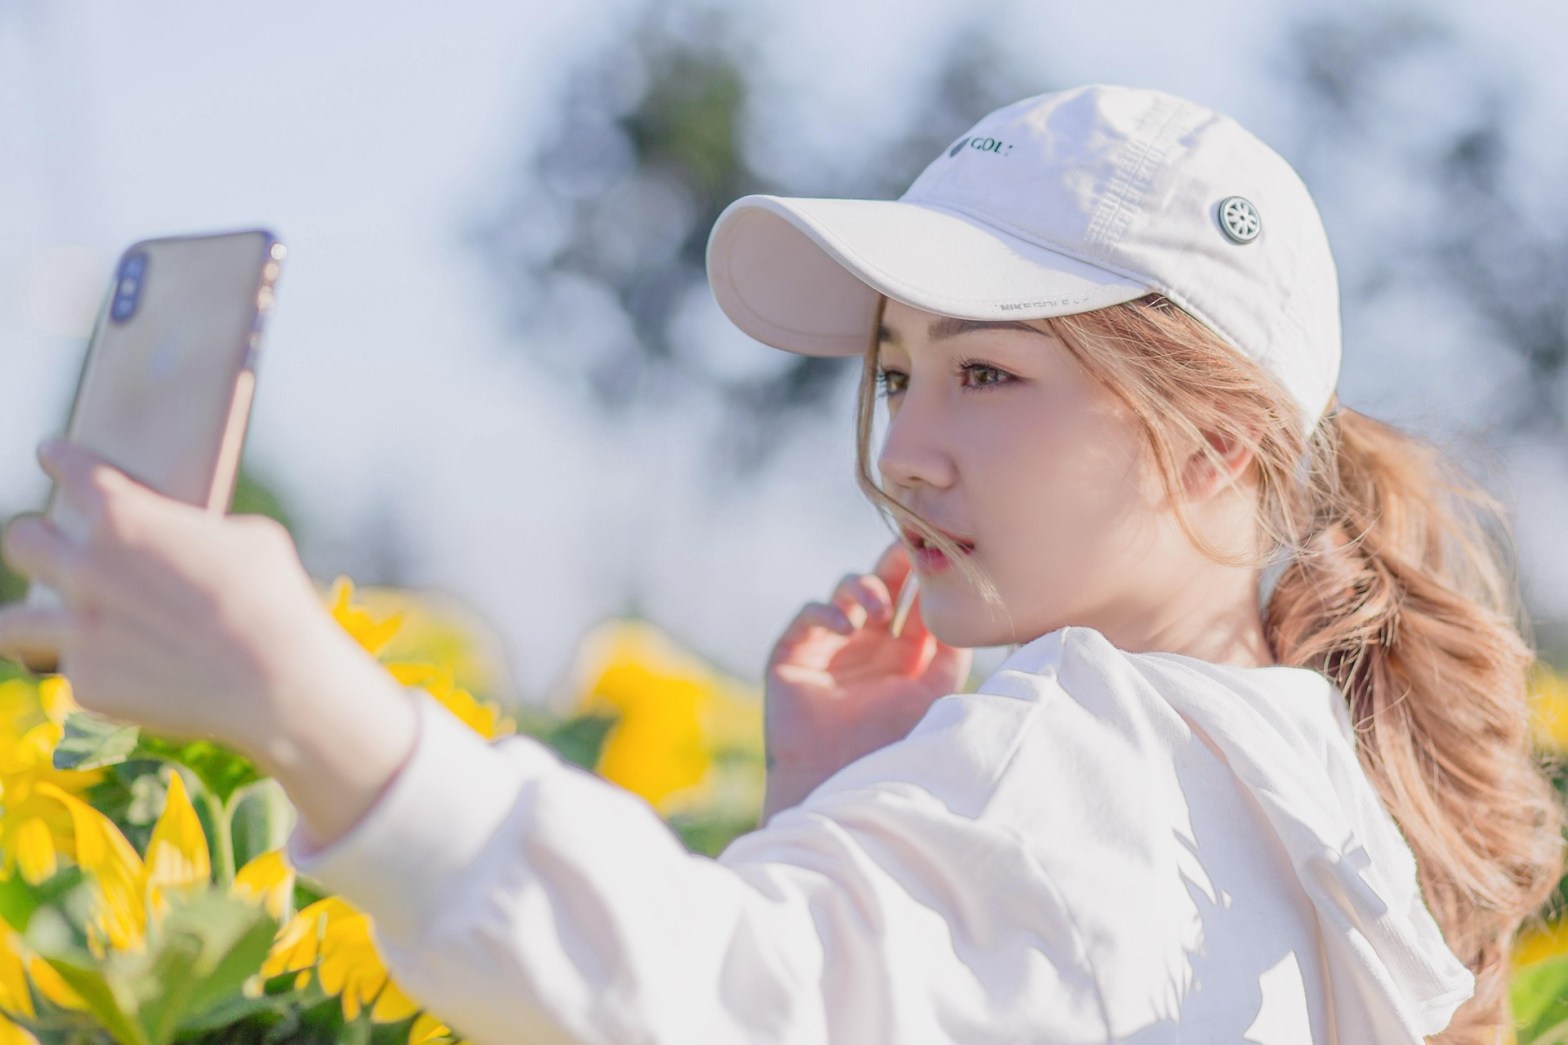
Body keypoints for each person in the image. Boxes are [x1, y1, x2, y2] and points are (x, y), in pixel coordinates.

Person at [0, 83, 1560, 1044]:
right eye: (895, 374)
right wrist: (847, 821)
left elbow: (694, 1004)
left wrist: (309, 706)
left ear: (1219, 442)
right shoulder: (1312, 774)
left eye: (988, 375)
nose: (905, 453)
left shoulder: (1075, 753)